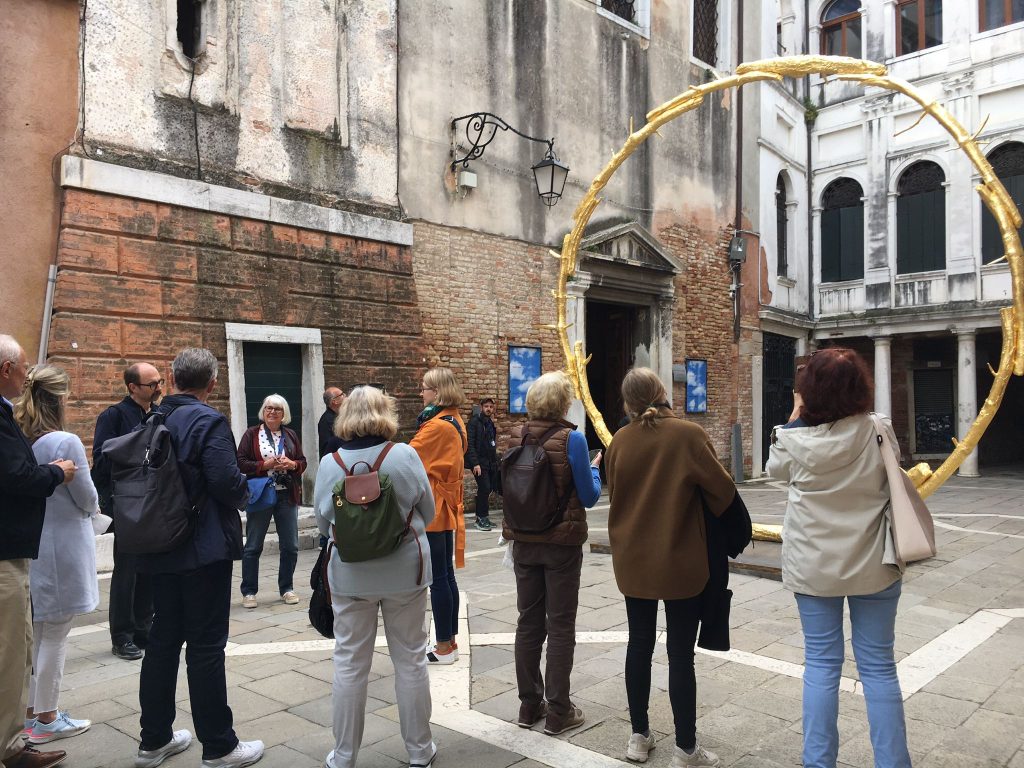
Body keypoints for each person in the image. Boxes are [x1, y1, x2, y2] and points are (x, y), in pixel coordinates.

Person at [766, 348, 910, 768]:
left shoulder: (791, 439)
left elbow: (776, 472)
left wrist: (796, 413)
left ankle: (818, 762)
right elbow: (894, 470)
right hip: (875, 563)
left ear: (809, 391)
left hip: (813, 567)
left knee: (822, 665)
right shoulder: (878, 430)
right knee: (880, 668)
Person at [134, 348, 263, 768]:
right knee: (206, 646)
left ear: (171, 379)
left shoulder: (153, 418)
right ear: (212, 384)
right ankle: (219, 746)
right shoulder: (208, 420)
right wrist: (247, 494)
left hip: (158, 544)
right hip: (202, 546)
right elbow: (226, 482)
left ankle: (153, 740)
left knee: (163, 641)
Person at [604, 367, 736, 767]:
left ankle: (639, 737)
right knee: (680, 656)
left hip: (633, 559)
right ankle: (685, 748)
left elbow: (615, 493)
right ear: (661, 392)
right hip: (682, 558)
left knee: (638, 645)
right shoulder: (689, 436)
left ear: (627, 403)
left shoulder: (619, 442)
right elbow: (724, 491)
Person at [313, 386, 436, 768]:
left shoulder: (330, 462)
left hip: (350, 577)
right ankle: (419, 751)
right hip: (405, 573)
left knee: (349, 664)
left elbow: (322, 522)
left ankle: (344, 756)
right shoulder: (403, 455)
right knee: (411, 661)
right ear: (387, 414)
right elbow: (428, 513)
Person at [502, 371, 602, 737]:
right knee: (560, 626)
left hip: (524, 540)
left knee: (528, 622)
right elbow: (589, 497)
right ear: (563, 403)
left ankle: (530, 705)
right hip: (561, 543)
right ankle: (559, 711)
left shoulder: (515, 435)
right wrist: (594, 470)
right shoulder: (571, 439)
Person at [0, 334, 76, 768]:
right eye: (22, 367)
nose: (26, 375)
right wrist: (54, 472)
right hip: (8, 553)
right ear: (7, 369)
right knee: (14, 652)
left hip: (19, 549)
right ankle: (11, 745)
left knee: (25, 644)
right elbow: (18, 477)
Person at [15, 365, 99, 746]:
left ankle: (33, 712)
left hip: (33, 544)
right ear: (60, 399)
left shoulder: (20, 437)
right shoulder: (64, 441)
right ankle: (47, 717)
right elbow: (87, 497)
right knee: (56, 633)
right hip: (63, 545)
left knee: (41, 630)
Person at [92, 362, 163, 661]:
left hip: (155, 500)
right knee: (128, 569)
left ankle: (143, 627)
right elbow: (102, 458)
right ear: (133, 387)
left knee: (149, 566)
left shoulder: (160, 414)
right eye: (152, 384)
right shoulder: (113, 415)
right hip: (126, 501)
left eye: (160, 382)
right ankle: (121, 635)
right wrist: (141, 434)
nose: (158, 388)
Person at [409, 367, 467, 665]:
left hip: (434, 509)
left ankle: (444, 646)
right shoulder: (454, 419)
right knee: (446, 576)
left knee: (439, 579)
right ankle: (450, 641)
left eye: (425, 388)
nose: (422, 393)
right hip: (445, 507)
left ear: (438, 392)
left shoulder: (435, 427)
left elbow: (406, 458)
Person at [236, 394, 307, 609]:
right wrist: (264, 465)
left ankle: (286, 588)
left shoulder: (291, 435)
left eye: (277, 409)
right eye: (268, 408)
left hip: (287, 494)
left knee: (291, 546)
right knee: (253, 545)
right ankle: (249, 591)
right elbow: (240, 462)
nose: (272, 412)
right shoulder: (251, 434)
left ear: (284, 413)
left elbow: (302, 462)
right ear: (263, 411)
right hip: (261, 494)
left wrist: (292, 464)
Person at [466, 397, 500, 531]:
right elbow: (470, 444)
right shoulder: (474, 422)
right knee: (484, 487)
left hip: (489, 462)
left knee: (488, 488)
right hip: (479, 463)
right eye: (486, 406)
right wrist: (475, 463)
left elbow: (492, 443)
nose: (489, 409)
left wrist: (495, 462)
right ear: (481, 407)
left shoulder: (490, 423)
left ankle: (484, 517)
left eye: (491, 407)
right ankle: (480, 518)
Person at [318, 387, 345, 459]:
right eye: (342, 394)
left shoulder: (338, 416)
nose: (345, 396)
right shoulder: (327, 420)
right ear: (334, 401)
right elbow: (327, 448)